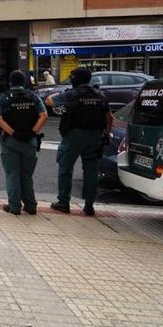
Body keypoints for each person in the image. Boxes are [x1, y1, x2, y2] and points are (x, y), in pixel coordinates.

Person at [46, 67, 112, 216]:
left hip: (74, 136)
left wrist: (62, 101)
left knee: (65, 168)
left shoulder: (71, 94)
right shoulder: (100, 95)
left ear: (75, 79)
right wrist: (106, 135)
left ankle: (63, 203)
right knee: (91, 171)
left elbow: (49, 101)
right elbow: (109, 118)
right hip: (95, 135)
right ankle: (89, 206)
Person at [0, 70, 49, 215]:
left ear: (10, 82)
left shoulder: (3, 98)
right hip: (29, 140)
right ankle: (31, 206)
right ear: (24, 82)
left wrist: (12, 132)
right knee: (26, 175)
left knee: (12, 174)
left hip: (10, 140)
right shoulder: (33, 97)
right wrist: (33, 132)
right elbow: (44, 115)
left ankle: (15, 206)